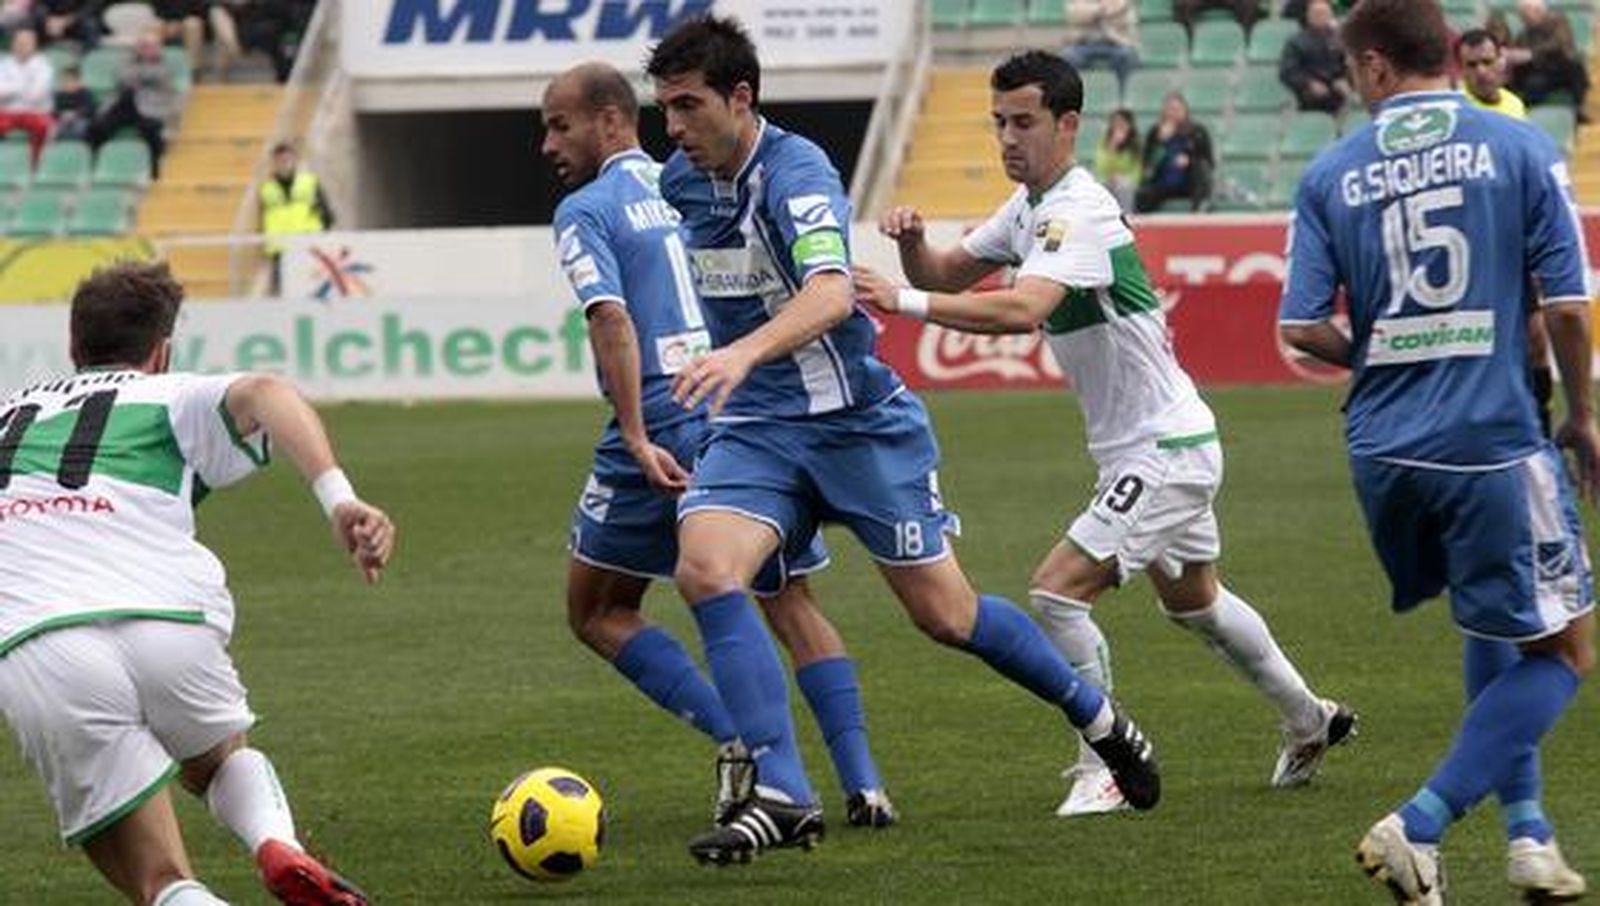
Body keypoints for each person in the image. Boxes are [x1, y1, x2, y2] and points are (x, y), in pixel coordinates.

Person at [646, 14, 1161, 865]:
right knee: (704, 568)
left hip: (856, 426)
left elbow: (832, 294)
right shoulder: (680, 179)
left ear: (741, 99)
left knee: (948, 617)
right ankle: (784, 790)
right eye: (664, 109)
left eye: (689, 107)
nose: (675, 127)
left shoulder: (797, 169)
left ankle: (1099, 718)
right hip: (757, 428)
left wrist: (735, 351)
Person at [853, 50, 1354, 818]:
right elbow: (952, 271)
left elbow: (1021, 309)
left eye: (1023, 122)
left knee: (1056, 592)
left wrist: (903, 300)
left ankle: (1106, 763)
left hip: (1165, 447)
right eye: (998, 124)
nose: (1007, 139)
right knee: (1196, 603)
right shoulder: (1029, 206)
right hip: (1162, 440)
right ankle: (1308, 719)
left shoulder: (1075, 208)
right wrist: (914, 245)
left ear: (1068, 124)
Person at [1278, 1, 1595, 902]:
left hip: (1382, 449)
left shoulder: (1332, 170)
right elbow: (1570, 308)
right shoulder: (1519, 147)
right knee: (1567, 649)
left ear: (1375, 68)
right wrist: (1583, 415)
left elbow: (1301, 325)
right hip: (1490, 440)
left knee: (1492, 619)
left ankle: (1529, 835)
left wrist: (1383, 345)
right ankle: (1418, 824)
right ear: (1447, 55)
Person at [539, 60, 896, 829]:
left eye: (558, 125)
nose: (546, 144)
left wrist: (635, 434)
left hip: (669, 408)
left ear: (609, 121)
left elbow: (612, 321)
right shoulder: (694, 182)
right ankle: (864, 783)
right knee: (785, 595)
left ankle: (746, 743)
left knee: (597, 608)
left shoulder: (586, 207)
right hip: (744, 407)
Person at [0, 261, 395, 906]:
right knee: (215, 760)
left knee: (161, 881)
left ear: (73, 347)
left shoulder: (7, 410)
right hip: (168, 622)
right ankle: (275, 842)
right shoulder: (166, 393)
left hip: (43, 641)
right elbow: (267, 390)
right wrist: (339, 499)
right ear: (161, 351)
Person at [88, 28, 178, 178]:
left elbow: (158, 76)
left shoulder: (165, 65)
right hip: (125, 106)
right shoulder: (127, 61)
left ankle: (154, 171)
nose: (147, 50)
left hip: (150, 108)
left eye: (151, 46)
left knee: (151, 129)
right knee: (96, 127)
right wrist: (142, 78)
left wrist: (137, 77)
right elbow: (120, 77)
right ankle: (95, 166)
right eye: (143, 46)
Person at [259, 142, 333, 296]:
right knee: (281, 294)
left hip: (307, 246)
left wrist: (319, 237)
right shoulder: (266, 188)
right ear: (274, 163)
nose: (284, 164)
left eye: (287, 159)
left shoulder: (309, 182)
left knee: (312, 290)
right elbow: (262, 220)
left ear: (295, 161)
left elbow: (327, 215)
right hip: (279, 249)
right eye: (280, 160)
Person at [1506, 0, 1590, 121]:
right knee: (1529, 82)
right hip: (1539, 72)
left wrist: (1531, 54)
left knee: (1576, 67)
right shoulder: (1524, 33)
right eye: (1522, 15)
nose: (1523, 19)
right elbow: (1518, 49)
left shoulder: (1558, 22)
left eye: (1525, 15)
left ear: (1538, 11)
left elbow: (1558, 44)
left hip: (1561, 68)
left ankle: (1577, 110)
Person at [1134, 91, 1213, 212]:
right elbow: (1149, 167)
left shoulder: (1197, 132)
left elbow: (1209, 162)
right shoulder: (1155, 133)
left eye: (1178, 109)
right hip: (1163, 183)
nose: (1174, 113)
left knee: (1199, 170)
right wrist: (1161, 143)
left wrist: (1189, 161)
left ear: (1185, 110)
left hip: (1188, 183)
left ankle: (1199, 210)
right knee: (1143, 194)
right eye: (1170, 109)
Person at [1279, 0, 1351, 115]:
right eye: (1316, 13)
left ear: (1330, 15)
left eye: (1323, 13)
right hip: (1308, 97)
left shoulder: (1340, 40)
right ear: (1308, 15)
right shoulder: (1296, 42)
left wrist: (1345, 79)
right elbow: (1288, 71)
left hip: (1338, 92)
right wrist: (1309, 83)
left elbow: (1349, 64)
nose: (1320, 17)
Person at [0, 28, 53, 161]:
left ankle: (35, 167)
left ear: (34, 45)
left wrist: (11, 88)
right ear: (13, 44)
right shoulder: (4, 64)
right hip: (7, 112)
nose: (21, 46)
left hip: (35, 112)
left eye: (26, 43)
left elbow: (36, 95)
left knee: (43, 126)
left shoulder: (43, 66)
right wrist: (22, 86)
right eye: (18, 43)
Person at [1063, 0, 1139, 93]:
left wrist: (1092, 14)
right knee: (1069, 56)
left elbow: (1123, 14)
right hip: (1083, 44)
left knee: (1126, 55)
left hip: (1116, 43)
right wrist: (1101, 9)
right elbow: (1074, 13)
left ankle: (1123, 99)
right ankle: (1073, 96)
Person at [1093, 108, 1141, 211]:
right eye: (1115, 123)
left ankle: (1126, 216)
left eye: (1122, 123)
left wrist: (1123, 178)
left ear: (1130, 125)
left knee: (1124, 187)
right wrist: (1112, 147)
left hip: (1126, 181)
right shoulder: (1104, 141)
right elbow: (1100, 167)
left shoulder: (1136, 144)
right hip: (1107, 179)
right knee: (1100, 186)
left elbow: (1137, 171)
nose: (1118, 126)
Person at [53, 65, 95, 142]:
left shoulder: (85, 93)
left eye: (69, 80)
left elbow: (89, 110)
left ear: (77, 81)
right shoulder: (58, 95)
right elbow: (54, 111)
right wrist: (62, 115)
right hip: (62, 122)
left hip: (81, 121)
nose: (65, 83)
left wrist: (74, 114)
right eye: (63, 80)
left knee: (83, 127)